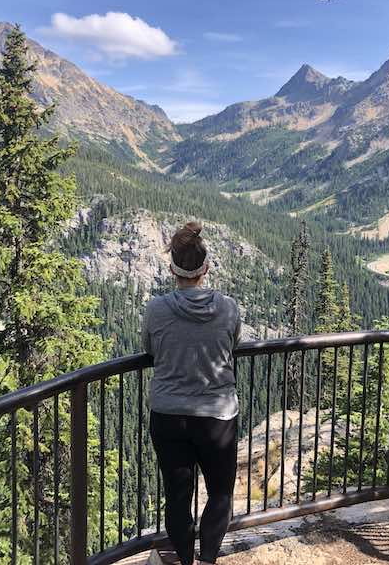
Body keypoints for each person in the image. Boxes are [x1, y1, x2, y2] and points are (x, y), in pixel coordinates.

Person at [142, 221, 242, 565]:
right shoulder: (228, 308)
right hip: (218, 418)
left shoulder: (156, 309)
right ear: (206, 268)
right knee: (220, 494)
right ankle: (208, 559)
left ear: (173, 269)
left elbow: (151, 350)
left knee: (177, 497)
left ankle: (185, 561)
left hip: (169, 417)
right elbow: (232, 344)